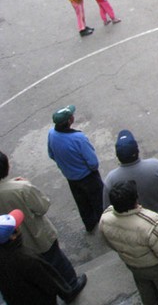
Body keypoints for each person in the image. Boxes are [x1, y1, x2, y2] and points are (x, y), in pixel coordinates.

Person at [0, 152, 87, 297]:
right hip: (38, 235)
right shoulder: (22, 188)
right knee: (56, 261)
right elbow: (42, 206)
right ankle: (71, 286)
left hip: (14, 246)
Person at [103, 131, 158, 270]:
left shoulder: (111, 180)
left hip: (134, 224)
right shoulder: (155, 166)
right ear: (137, 151)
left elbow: (109, 208)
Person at [99, 181, 158, 305]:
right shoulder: (151, 222)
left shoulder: (105, 219)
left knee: (147, 293)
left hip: (133, 264)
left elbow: (109, 242)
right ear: (136, 199)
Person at [0, 209, 85, 305]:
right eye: (17, 226)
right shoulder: (26, 257)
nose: (19, 226)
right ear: (13, 236)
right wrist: (67, 292)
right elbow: (49, 280)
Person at [47, 105, 105, 231]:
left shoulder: (51, 134)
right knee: (99, 201)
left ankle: (89, 224)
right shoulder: (78, 138)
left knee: (82, 203)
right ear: (69, 121)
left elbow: (51, 154)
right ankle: (105, 225)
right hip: (87, 176)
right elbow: (93, 163)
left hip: (71, 177)